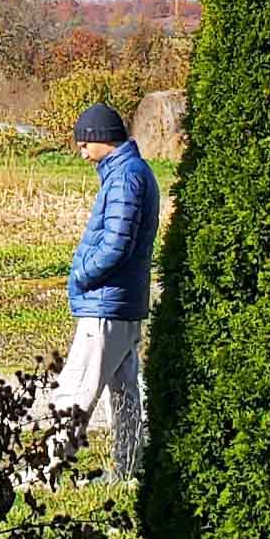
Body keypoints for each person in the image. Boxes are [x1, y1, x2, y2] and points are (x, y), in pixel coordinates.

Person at [57, 101, 162, 479]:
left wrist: (81, 273)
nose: (81, 151)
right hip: (123, 303)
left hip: (106, 303)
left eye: (85, 143)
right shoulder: (131, 172)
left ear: (102, 138)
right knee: (124, 393)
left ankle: (45, 472)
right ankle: (127, 468)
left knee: (75, 391)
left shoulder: (124, 178)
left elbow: (117, 244)